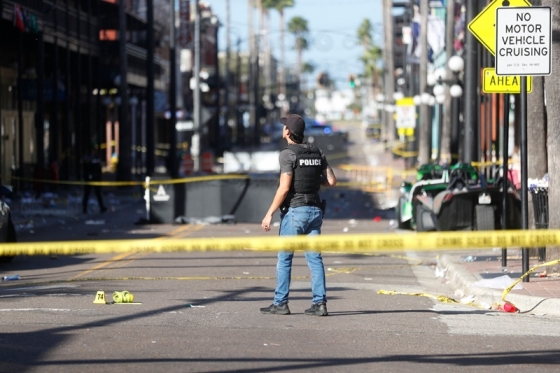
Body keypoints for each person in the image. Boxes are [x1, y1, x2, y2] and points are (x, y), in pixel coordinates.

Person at [260, 114, 337, 316]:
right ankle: (320, 304)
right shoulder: (317, 152)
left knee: (285, 259)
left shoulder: (287, 155)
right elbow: (331, 181)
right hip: (315, 211)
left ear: (287, 132)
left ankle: (280, 303)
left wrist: (269, 214)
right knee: (315, 259)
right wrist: (311, 177)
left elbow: (284, 188)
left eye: (285, 127)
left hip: (295, 212)